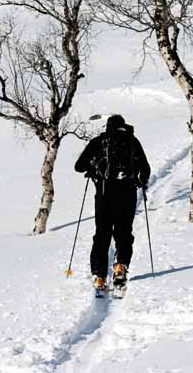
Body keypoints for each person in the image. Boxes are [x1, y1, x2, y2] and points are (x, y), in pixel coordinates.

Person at [74, 114, 150, 293]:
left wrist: (93, 167)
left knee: (102, 234)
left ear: (108, 127)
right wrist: (139, 182)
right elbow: (145, 169)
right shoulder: (132, 141)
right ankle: (120, 267)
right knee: (123, 233)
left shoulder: (100, 141)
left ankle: (100, 276)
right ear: (124, 126)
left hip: (104, 194)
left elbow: (79, 166)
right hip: (127, 194)